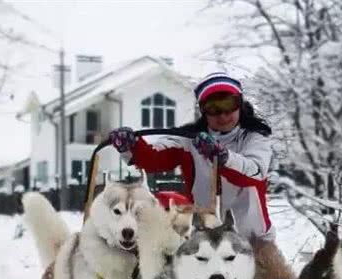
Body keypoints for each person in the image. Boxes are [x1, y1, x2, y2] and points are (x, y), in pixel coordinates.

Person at [109, 72, 274, 241]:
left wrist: (223, 157)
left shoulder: (255, 138)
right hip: (204, 241)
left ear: (240, 104)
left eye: (229, 105)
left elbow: (254, 173)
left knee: (266, 265)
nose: (223, 115)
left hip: (253, 241)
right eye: (213, 108)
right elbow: (154, 158)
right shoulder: (189, 140)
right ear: (203, 110)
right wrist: (132, 146)